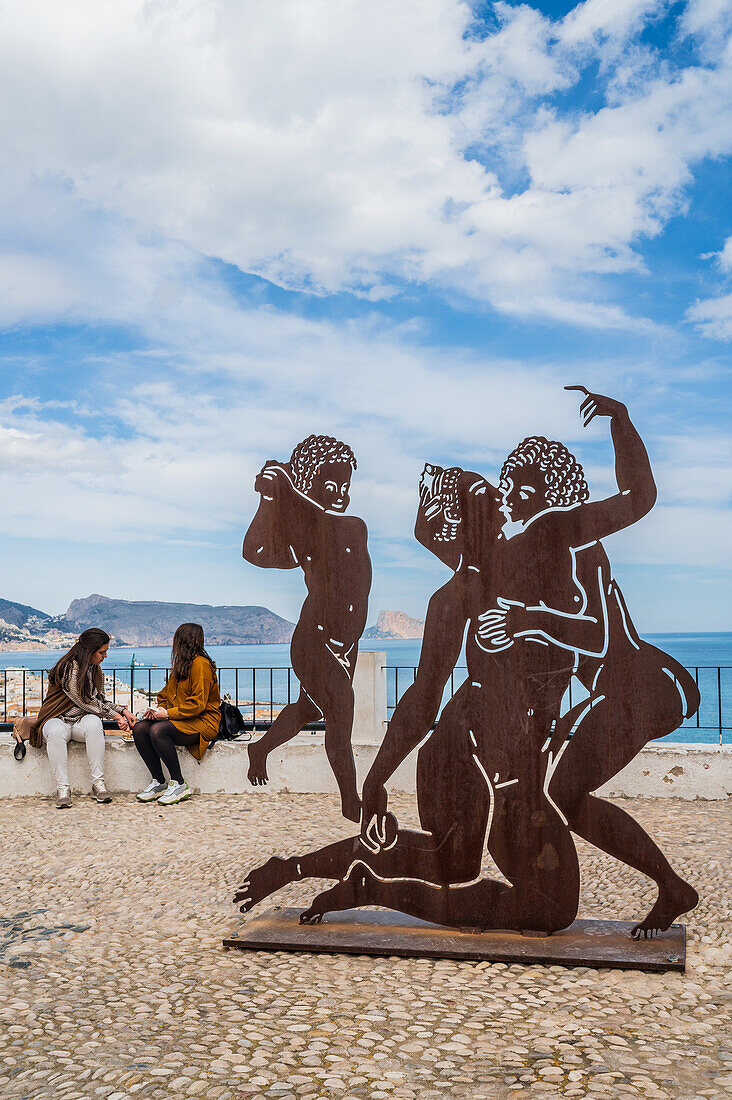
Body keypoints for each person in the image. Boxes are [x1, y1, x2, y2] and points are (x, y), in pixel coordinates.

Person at [237, 390, 661, 935]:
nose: (500, 504)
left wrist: (621, 422)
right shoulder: (456, 596)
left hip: (509, 756)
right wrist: (375, 780)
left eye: (496, 498)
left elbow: (637, 498)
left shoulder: (545, 547)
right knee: (511, 892)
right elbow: (422, 699)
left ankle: (338, 877)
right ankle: (330, 875)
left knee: (512, 891)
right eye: (485, 500)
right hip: (465, 755)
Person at [485, 426, 700, 937]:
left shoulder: (560, 531)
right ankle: (667, 886)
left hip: (642, 686)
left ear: (553, 494)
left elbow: (597, 637)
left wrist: (524, 621)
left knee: (562, 790)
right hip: (634, 687)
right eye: (506, 485)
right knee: (561, 792)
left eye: (523, 488)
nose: (509, 496)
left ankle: (670, 885)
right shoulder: (542, 547)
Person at [242, 434, 371, 823]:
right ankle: (352, 802)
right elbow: (255, 552)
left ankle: (259, 749)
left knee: (306, 709)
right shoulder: (306, 536)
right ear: (308, 485)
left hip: (347, 646)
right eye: (329, 486)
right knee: (341, 710)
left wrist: (286, 490)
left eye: (344, 487)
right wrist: (270, 501)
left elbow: (321, 519)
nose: (340, 495)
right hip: (314, 641)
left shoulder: (353, 527)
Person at [30, 628, 135, 809]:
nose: (105, 656)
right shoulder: (69, 667)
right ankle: (63, 788)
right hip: (57, 718)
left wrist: (123, 711)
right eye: (102, 652)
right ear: (89, 651)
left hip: (79, 721)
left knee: (94, 724)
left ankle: (98, 783)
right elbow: (83, 700)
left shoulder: (95, 670)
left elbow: (98, 700)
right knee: (54, 731)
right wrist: (116, 715)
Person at [132, 623, 221, 805]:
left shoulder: (201, 665)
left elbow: (198, 703)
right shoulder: (181, 666)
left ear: (183, 641)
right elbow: (163, 695)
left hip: (204, 722)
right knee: (140, 728)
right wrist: (158, 711)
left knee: (158, 730)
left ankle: (179, 783)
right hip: (181, 719)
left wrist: (167, 714)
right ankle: (158, 781)